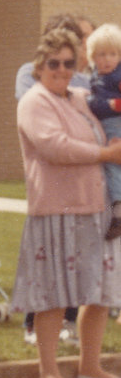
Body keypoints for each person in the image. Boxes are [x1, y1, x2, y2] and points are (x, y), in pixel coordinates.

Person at [12, 27, 121, 378]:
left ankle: (90, 368)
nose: (61, 69)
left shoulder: (79, 97)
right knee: (53, 294)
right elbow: (54, 146)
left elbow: (104, 124)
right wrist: (105, 154)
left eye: (69, 63)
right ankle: (49, 371)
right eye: (54, 63)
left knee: (100, 291)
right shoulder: (34, 101)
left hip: (94, 209)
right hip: (55, 211)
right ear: (40, 65)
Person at [83, 22, 121, 240]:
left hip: (115, 124)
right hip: (106, 124)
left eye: (112, 54)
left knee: (113, 164)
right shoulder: (96, 76)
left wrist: (110, 105)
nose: (106, 59)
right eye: (101, 54)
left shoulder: (116, 76)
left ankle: (118, 210)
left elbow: (100, 104)